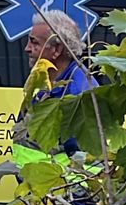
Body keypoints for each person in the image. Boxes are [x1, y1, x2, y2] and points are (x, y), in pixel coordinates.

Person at [11, 9, 96, 171]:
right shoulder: (45, 80)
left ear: (56, 49)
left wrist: (64, 194)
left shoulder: (77, 95)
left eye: (34, 42)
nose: (27, 48)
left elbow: (85, 165)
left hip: (62, 192)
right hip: (38, 189)